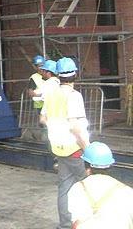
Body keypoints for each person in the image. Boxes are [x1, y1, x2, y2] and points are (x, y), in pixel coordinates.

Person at [40, 57, 90, 229]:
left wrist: (57, 128)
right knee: (90, 186)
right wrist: (88, 149)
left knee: (64, 189)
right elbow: (76, 128)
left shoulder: (51, 95)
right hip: (76, 149)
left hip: (59, 148)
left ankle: (65, 225)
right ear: (75, 74)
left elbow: (43, 118)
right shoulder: (74, 96)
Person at [68, 141, 133, 228]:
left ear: (87, 168)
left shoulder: (76, 189)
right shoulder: (127, 191)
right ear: (110, 166)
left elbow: (75, 221)